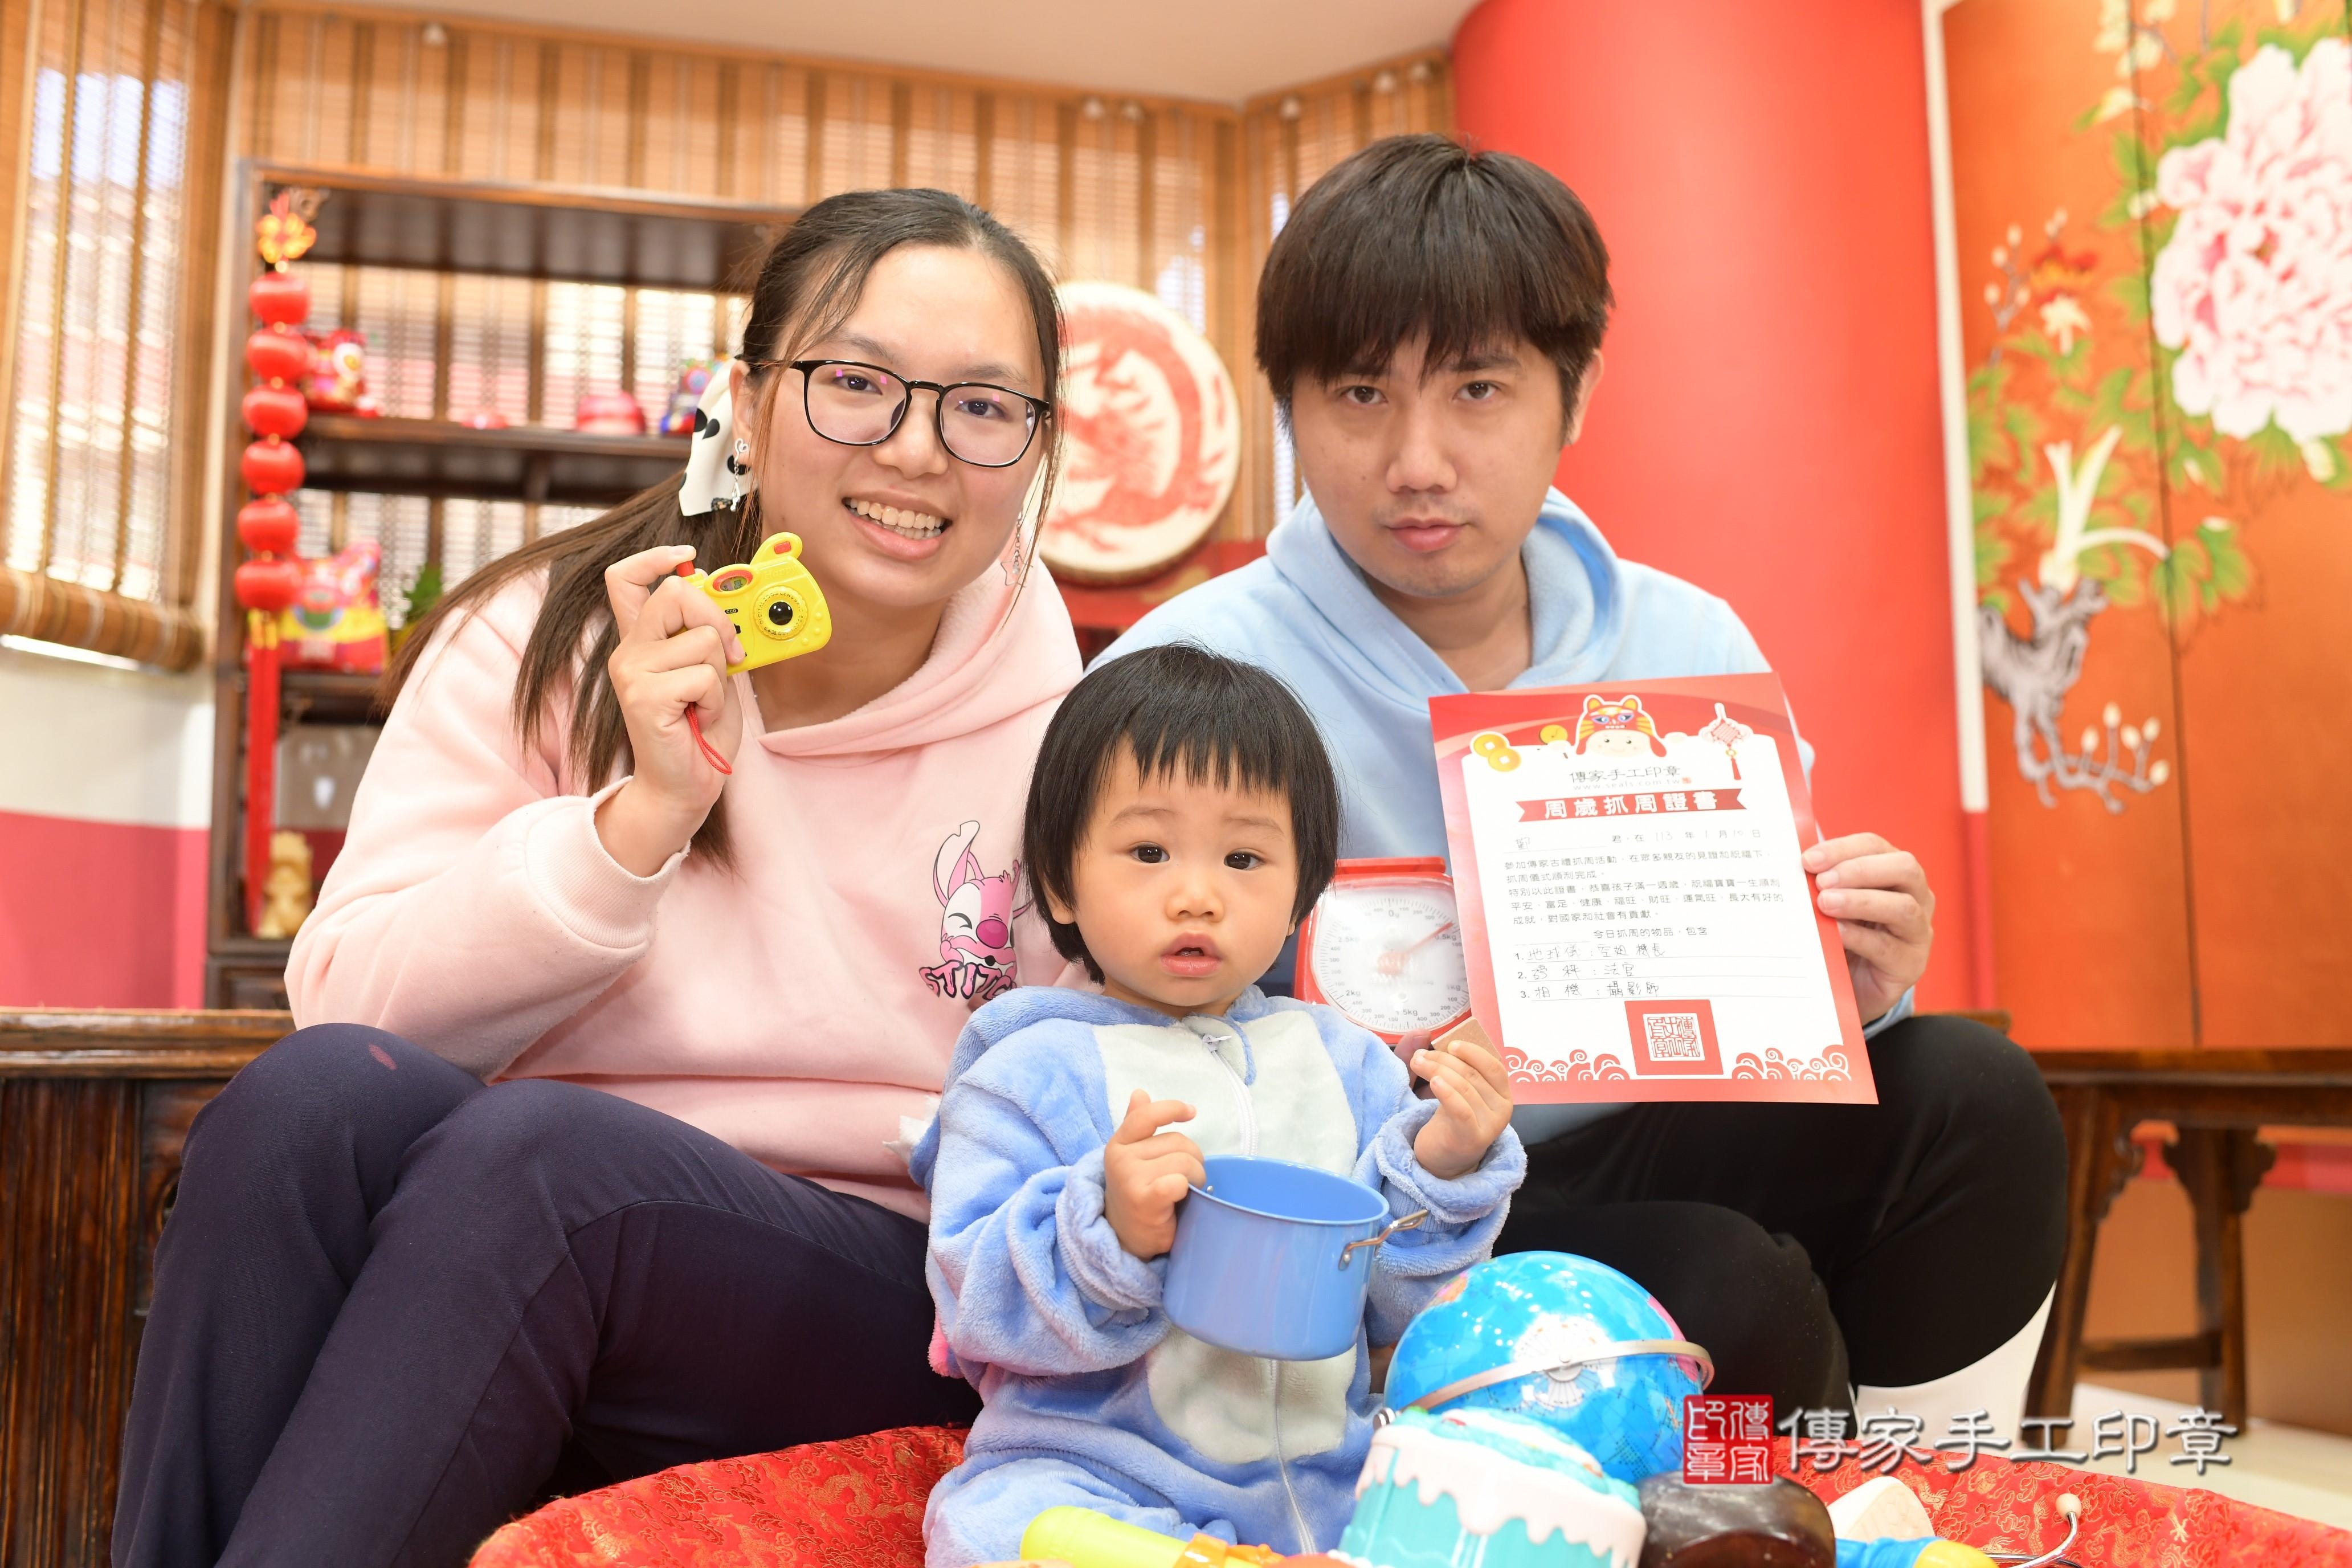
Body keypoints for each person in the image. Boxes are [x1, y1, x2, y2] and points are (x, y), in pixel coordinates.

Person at [116, 189, 1081, 1568]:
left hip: (882, 1279)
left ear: (1036, 446)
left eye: (983, 406)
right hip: (502, 1228)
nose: (918, 449)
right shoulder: (550, 637)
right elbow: (351, 1005)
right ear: (748, 404)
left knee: (549, 1165)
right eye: (858, 383)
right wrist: (638, 821)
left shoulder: (1077, 733)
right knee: (309, 1107)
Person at [1101, 136, 2068, 1436]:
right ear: (1291, 405)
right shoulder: (1187, 674)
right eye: (1361, 394)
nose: (1419, 461)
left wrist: (1854, 984)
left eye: (1479, 389)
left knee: (1975, 1094)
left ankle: (1934, 1482)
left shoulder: (1688, 646)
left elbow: (1771, 1010)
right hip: (1371, 1194)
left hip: (1646, 1124)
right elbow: (1110, 1020)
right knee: (1718, 1296)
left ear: (1578, 391)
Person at [911, 646, 1523, 1565]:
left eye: (1244, 858)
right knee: (998, 1526)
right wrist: (1113, 1230)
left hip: (1334, 1480)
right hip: (1102, 1473)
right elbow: (977, 1313)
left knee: (1510, 1499)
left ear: (1301, 896)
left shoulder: (1351, 1065)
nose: (1197, 896)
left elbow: (1405, 1318)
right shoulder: (1028, 1071)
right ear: (1062, 881)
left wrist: (1443, 1165)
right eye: (1148, 852)